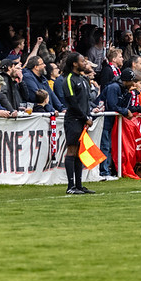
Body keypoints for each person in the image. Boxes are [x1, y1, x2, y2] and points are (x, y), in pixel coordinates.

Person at [61, 52, 97, 194]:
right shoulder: (69, 79)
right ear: (75, 64)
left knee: (80, 153)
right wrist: (84, 118)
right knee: (72, 151)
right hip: (74, 120)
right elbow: (72, 103)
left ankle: (79, 185)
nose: (85, 63)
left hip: (82, 120)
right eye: (82, 61)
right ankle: (70, 187)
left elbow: (85, 102)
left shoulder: (83, 79)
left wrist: (88, 116)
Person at [100, 68, 140, 180]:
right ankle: (104, 172)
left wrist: (128, 94)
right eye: (132, 81)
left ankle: (107, 170)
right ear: (126, 80)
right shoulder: (114, 87)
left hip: (111, 121)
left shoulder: (123, 89)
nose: (134, 83)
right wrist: (124, 111)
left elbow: (125, 106)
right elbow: (113, 106)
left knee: (109, 145)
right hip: (104, 120)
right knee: (105, 145)